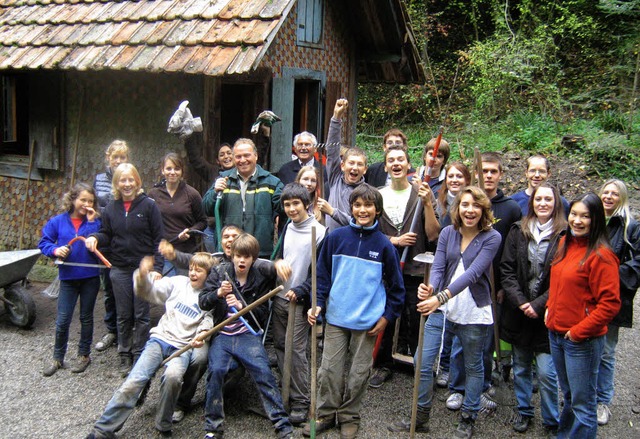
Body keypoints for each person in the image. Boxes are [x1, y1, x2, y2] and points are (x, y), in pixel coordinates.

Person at [389, 186, 501, 439]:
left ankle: (468, 416)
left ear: (483, 209)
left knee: (472, 365)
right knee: (422, 361)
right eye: (464, 205)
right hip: (441, 308)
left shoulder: (492, 237)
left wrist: (439, 296)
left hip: (472, 311)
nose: (469, 210)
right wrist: (430, 288)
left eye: (475, 205)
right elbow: (438, 266)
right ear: (457, 208)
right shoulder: (448, 232)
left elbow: (473, 274)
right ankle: (421, 416)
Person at [304, 184, 405, 439]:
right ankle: (326, 413)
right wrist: (318, 303)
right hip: (336, 317)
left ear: (377, 211)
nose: (362, 210)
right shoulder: (335, 238)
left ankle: (350, 416)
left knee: (359, 373)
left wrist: (387, 317)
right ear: (351, 208)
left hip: (368, 321)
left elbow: (396, 288)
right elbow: (322, 275)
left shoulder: (384, 246)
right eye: (357, 205)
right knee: (328, 370)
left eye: (368, 205)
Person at [85, 253, 215, 438]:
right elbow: (149, 292)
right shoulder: (177, 282)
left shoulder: (208, 297)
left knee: (173, 377)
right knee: (134, 381)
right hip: (159, 340)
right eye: (192, 268)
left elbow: (207, 321)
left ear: (208, 274)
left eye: (199, 270)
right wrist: (142, 275)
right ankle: (103, 429)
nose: (193, 273)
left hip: (182, 348)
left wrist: (202, 336)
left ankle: (163, 425)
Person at [199, 233, 293, 439]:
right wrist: (218, 294)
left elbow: (261, 315)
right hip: (222, 335)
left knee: (264, 373)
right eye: (238, 256)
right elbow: (203, 302)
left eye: (247, 257)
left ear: (253, 259)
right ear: (232, 255)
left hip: (247, 335)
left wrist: (242, 307)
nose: (242, 260)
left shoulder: (260, 277)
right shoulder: (219, 272)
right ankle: (212, 428)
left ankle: (282, 425)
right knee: (215, 371)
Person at [447, 152, 520, 411]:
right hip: (458, 287)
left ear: (500, 174)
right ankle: (457, 386)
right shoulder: (465, 204)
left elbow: (513, 251)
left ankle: (483, 383)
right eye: (484, 171)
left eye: (493, 171)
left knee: (484, 341)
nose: (488, 175)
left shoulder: (511, 208)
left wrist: (503, 286)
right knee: (458, 341)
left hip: (491, 285)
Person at [546, 192, 621, 438]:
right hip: (557, 334)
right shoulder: (564, 243)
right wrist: (550, 310)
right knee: (568, 396)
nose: (577, 221)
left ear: (596, 219)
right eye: (574, 214)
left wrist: (578, 332)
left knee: (583, 403)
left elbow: (610, 304)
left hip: (581, 340)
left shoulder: (601, 256)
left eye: (585, 216)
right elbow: (560, 286)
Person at [85, 163, 164, 377]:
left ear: (137, 181)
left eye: (131, 180)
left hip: (143, 270)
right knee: (123, 314)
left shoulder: (149, 206)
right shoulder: (110, 208)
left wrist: (157, 268)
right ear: (116, 184)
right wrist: (94, 238)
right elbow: (106, 234)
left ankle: (140, 354)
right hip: (119, 269)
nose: (127, 184)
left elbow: (159, 239)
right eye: (122, 180)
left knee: (141, 314)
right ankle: (124, 353)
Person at [500, 183, 566, 434]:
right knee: (521, 366)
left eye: (548, 199)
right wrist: (521, 302)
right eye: (539, 199)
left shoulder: (564, 235)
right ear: (532, 202)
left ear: (555, 203)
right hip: (519, 310)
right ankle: (524, 411)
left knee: (548, 373)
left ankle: (551, 419)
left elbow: (562, 278)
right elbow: (506, 269)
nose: (543, 204)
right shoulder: (518, 230)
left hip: (548, 312)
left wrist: (538, 304)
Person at [370, 146, 439, 388]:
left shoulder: (420, 195)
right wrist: (395, 241)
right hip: (386, 268)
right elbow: (370, 233)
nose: (396, 163)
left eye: (401, 159)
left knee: (414, 315)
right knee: (385, 314)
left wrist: (429, 204)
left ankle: (417, 362)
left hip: (414, 268)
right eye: (391, 160)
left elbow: (432, 234)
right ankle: (383, 364)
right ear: (386, 166)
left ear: (409, 165)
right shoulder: (377, 195)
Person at [271, 183, 326, 425]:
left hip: (299, 302)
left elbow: (321, 274)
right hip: (280, 297)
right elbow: (282, 256)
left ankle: (301, 401)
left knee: (297, 351)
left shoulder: (320, 232)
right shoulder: (287, 227)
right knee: (281, 347)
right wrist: (278, 262)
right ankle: (285, 394)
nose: (291, 209)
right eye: (287, 204)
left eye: (296, 204)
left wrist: (302, 290)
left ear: (307, 204)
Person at [39, 183, 102, 376]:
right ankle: (58, 358)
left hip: (90, 278)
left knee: (86, 317)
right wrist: (55, 250)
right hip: (67, 278)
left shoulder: (96, 222)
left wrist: (91, 222)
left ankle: (84, 355)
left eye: (90, 201)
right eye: (83, 200)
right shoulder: (58, 221)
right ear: (73, 199)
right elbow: (44, 242)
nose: (86, 204)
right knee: (63, 319)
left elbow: (98, 239)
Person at [596, 179, 640, 426]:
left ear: (622, 198)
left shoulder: (630, 228)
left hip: (612, 298)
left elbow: (637, 265)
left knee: (606, 352)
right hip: (585, 297)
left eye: (615, 193)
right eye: (606, 192)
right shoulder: (590, 220)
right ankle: (584, 396)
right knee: (585, 349)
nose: (609, 197)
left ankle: (602, 401)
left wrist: (609, 276)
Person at [202, 138, 283, 258]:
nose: (243, 160)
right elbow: (206, 208)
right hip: (230, 252)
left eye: (247, 155)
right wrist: (215, 192)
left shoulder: (272, 182)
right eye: (238, 156)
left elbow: (285, 208)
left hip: (260, 252)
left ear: (256, 156)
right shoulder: (224, 180)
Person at [93, 139, 130, 353]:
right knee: (108, 289)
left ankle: (127, 330)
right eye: (115, 156)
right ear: (108, 158)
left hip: (124, 241)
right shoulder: (98, 179)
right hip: (105, 239)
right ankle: (111, 330)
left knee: (126, 289)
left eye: (122, 157)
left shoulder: (128, 178)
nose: (118, 160)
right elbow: (93, 204)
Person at [148, 153, 207, 276]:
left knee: (183, 291)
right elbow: (148, 223)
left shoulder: (192, 194)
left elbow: (202, 221)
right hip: (163, 252)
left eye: (177, 168)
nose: (172, 172)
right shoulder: (153, 194)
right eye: (168, 168)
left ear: (182, 171)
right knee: (166, 292)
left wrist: (190, 231)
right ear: (162, 170)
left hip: (185, 253)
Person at [318, 98, 368, 233]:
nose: (355, 168)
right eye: (351, 163)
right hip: (331, 239)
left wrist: (333, 212)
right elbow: (332, 150)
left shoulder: (367, 192)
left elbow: (360, 223)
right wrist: (336, 117)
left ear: (365, 169)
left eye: (359, 164)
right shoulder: (335, 179)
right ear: (342, 165)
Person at [184, 137, 235, 253]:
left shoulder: (241, 173)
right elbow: (196, 161)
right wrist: (188, 139)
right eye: (222, 155)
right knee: (215, 261)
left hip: (231, 227)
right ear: (217, 160)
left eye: (229, 153)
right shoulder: (213, 171)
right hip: (212, 228)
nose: (226, 156)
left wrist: (266, 136)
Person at [436, 161, 471, 228]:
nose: (454, 180)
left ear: (467, 180)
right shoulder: (437, 204)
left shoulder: (475, 203)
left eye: (459, 176)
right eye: (451, 176)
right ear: (446, 180)